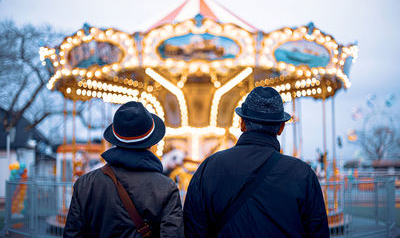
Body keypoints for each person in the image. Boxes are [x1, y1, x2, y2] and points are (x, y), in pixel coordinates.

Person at [184, 86, 329, 238]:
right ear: (281, 128)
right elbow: (318, 231)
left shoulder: (209, 167)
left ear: (242, 124)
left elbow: (193, 229)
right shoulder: (303, 174)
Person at [64, 101, 184, 238]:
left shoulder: (85, 183)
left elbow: (72, 234)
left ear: (115, 140)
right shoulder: (166, 188)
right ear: (151, 143)